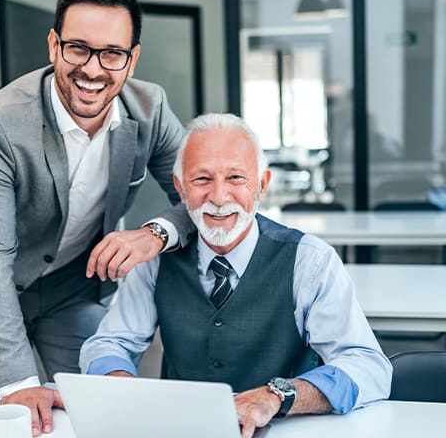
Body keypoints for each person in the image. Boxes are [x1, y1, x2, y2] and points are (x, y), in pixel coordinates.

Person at [0, 0, 193, 436]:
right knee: (8, 419)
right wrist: (17, 383)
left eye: (112, 53)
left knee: (97, 408)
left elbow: (201, 196)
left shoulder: (150, 109)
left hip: (72, 284)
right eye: (78, 48)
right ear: (53, 45)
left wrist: (154, 233)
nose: (93, 69)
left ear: (132, 59)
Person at [80, 113, 392, 438]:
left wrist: (278, 395)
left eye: (235, 178)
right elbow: (110, 342)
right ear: (180, 189)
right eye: (201, 180)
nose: (218, 197)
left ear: (262, 185)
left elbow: (369, 368)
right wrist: (116, 379)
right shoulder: (156, 261)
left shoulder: (309, 260)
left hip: (288, 431)